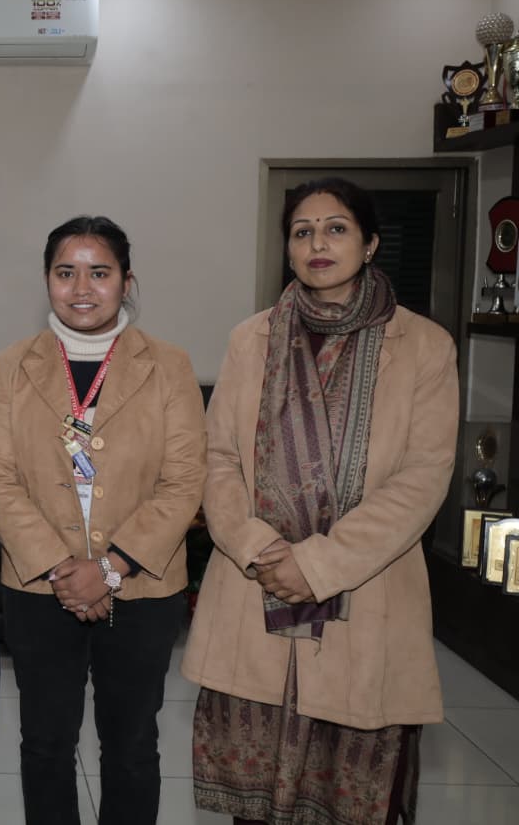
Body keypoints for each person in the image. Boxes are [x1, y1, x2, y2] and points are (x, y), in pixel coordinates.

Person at [182, 177, 458, 825]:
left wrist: (317, 564)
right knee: (253, 806)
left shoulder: (423, 346)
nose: (318, 244)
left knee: (351, 801)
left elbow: (422, 477)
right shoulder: (251, 339)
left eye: (336, 228)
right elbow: (218, 457)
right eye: (302, 232)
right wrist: (259, 549)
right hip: (254, 593)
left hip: (367, 597)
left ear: (370, 243)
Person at [0, 215, 206, 825]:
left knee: (131, 746)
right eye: (66, 272)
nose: (82, 288)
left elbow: (184, 482)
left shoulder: (170, 366)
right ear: (46, 280)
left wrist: (107, 569)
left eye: (99, 272)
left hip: (142, 585)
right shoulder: (11, 367)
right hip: (39, 586)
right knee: (45, 745)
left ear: (127, 282)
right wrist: (63, 568)